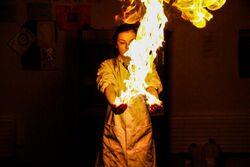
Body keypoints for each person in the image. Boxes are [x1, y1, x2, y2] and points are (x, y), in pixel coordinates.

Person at [95, 23, 164, 167]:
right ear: (115, 44)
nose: (127, 47)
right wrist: (114, 103)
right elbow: (107, 85)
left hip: (141, 134)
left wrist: (154, 100)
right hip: (115, 135)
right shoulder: (107, 66)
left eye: (132, 43)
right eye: (122, 43)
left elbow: (152, 85)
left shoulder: (147, 66)